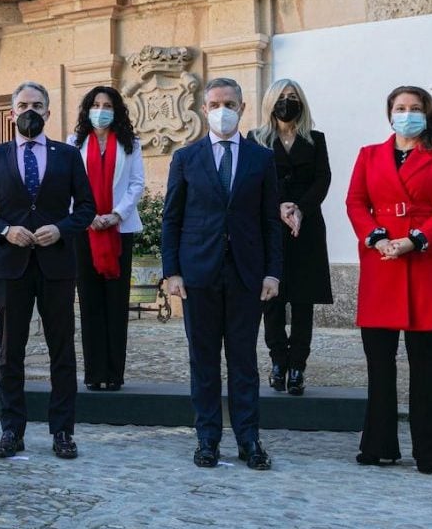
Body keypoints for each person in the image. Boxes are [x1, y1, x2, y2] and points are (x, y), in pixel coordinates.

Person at [345, 85, 432, 475]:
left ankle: (428, 450)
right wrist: (377, 237)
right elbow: (355, 202)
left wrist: (415, 239)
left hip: (428, 262)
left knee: (425, 362)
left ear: (427, 113)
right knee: (379, 362)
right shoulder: (369, 155)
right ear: (390, 113)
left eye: (415, 108)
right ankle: (379, 444)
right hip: (382, 262)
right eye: (400, 108)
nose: (407, 113)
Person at [0, 81, 96, 460]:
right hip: (12, 266)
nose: (29, 111)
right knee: (11, 352)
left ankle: (62, 431)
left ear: (48, 112)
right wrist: (5, 230)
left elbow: (87, 208)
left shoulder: (68, 155)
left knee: (62, 351)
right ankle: (12, 429)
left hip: (57, 264)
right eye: (22, 104)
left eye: (36, 105)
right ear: (11, 114)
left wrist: (61, 228)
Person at [162, 77, 282, 471]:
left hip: (247, 274)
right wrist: (172, 271)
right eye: (214, 104)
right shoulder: (186, 158)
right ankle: (207, 438)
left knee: (244, 361)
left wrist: (272, 273)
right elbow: (172, 219)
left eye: (229, 103)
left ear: (243, 109)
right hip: (199, 274)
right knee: (204, 361)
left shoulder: (261, 159)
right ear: (203, 109)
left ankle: (249, 439)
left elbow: (270, 222)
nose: (222, 110)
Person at [248, 79, 333, 396]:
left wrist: (300, 208)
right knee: (272, 298)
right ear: (270, 102)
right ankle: (278, 362)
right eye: (281, 97)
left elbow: (323, 179)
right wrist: (280, 206)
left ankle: (298, 365)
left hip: (306, 226)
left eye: (293, 97)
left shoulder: (316, 139)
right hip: (269, 226)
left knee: (302, 299)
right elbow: (253, 180)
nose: (287, 102)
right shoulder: (256, 138)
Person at [68, 86, 145, 392]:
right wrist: (87, 216)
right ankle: (93, 372)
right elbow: (68, 185)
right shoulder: (74, 144)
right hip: (85, 231)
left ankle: (114, 374)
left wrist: (116, 214)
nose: (101, 109)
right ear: (88, 109)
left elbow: (137, 184)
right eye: (96, 104)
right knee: (90, 302)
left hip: (119, 229)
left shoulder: (130, 144)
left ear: (117, 110)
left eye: (107, 105)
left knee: (115, 302)